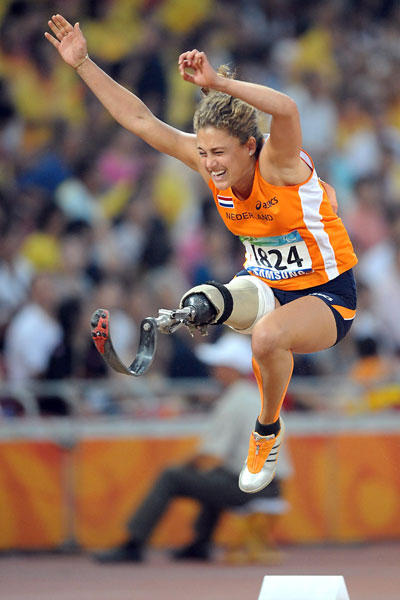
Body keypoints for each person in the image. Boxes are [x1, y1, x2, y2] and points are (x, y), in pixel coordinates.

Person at [45, 15, 357, 493]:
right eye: (204, 153)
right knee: (204, 298)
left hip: (326, 294)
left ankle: (266, 430)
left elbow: (288, 109)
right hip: (265, 284)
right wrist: (83, 63)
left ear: (250, 147)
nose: (209, 164)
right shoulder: (209, 163)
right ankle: (189, 315)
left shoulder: (279, 162)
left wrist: (217, 82)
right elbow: (139, 120)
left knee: (268, 339)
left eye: (220, 154)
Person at [92, 333, 291, 563]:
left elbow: (211, 454)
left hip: (251, 487)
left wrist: (182, 466)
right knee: (214, 477)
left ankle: (133, 543)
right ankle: (201, 542)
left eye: (219, 365)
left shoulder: (234, 400)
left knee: (172, 476)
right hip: (272, 485)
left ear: (231, 368)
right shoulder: (260, 395)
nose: (214, 370)